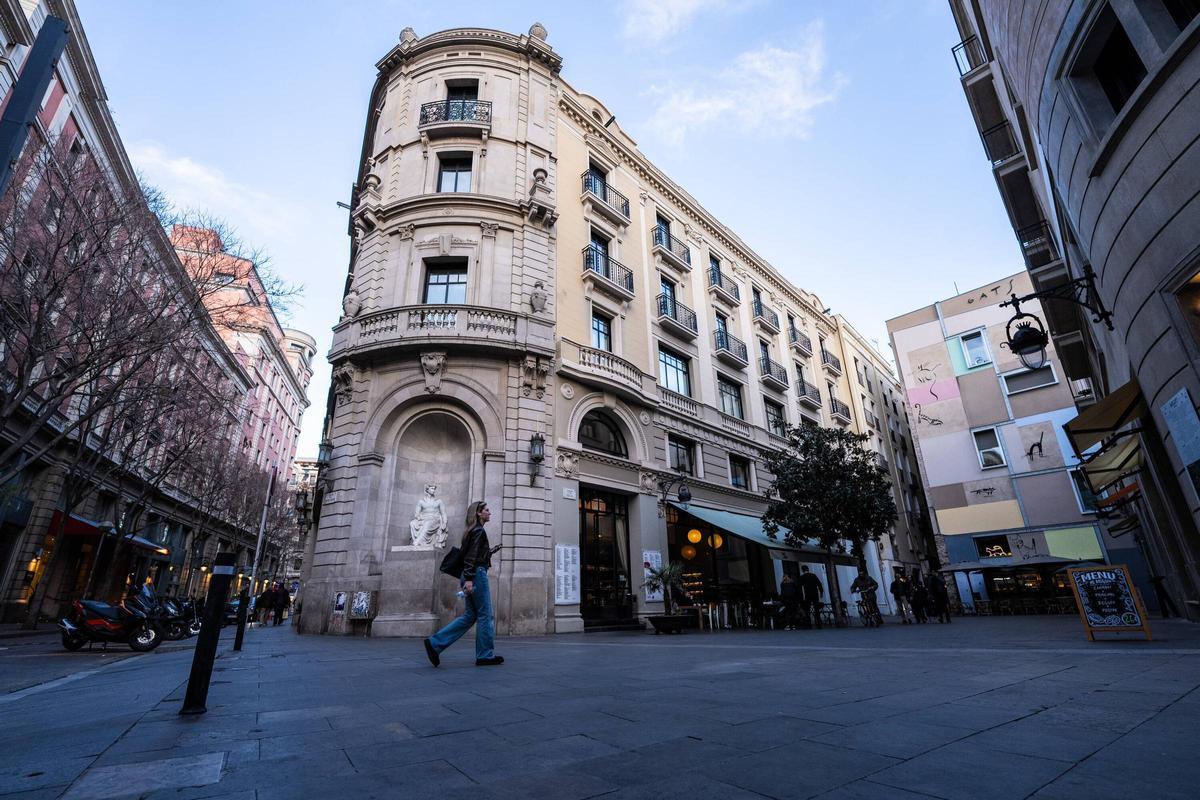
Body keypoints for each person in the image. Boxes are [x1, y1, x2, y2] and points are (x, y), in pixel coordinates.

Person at [424, 501, 504, 667]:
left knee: (470, 616)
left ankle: (435, 643)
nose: (490, 513)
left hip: (470, 574)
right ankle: (485, 655)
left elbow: (472, 554)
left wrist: (488, 552)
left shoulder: (471, 532)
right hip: (475, 575)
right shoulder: (479, 532)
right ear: (478, 513)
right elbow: (470, 558)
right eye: (487, 510)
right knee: (485, 615)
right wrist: (469, 579)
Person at [798, 565, 824, 629]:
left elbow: (799, 587)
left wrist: (801, 596)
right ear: (808, 569)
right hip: (815, 594)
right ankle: (819, 624)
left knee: (807, 610)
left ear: (802, 570)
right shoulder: (813, 575)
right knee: (816, 609)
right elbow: (819, 584)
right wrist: (821, 592)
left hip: (807, 594)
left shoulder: (802, 577)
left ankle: (809, 625)